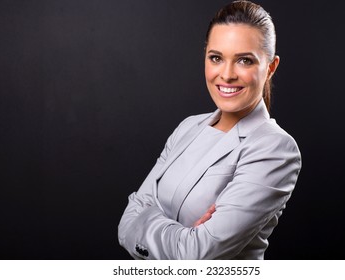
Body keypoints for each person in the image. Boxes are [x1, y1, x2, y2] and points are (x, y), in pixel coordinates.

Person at [118, 0, 301, 260]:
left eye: (244, 61)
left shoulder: (275, 148)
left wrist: (147, 220)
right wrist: (182, 235)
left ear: (270, 68)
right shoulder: (188, 127)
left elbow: (197, 256)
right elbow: (126, 222)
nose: (226, 74)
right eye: (216, 58)